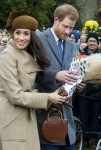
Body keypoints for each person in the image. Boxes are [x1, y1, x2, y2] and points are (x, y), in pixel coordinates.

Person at [0, 11, 67, 150]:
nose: (21, 38)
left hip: (25, 115)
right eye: (17, 33)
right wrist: (48, 98)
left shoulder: (28, 54)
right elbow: (15, 95)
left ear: (32, 35)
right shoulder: (7, 56)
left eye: (26, 33)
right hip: (12, 116)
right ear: (13, 34)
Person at [36, 4, 85, 150]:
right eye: (65, 26)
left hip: (67, 118)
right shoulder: (38, 39)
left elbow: (73, 73)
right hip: (44, 116)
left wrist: (78, 83)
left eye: (71, 28)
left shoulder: (72, 45)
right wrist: (56, 75)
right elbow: (30, 74)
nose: (68, 31)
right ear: (56, 20)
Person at [76, 33, 101, 146]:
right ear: (87, 42)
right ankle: (84, 138)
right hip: (83, 93)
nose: (92, 43)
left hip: (97, 93)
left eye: (94, 41)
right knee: (84, 116)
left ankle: (93, 138)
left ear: (97, 43)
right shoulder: (80, 55)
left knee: (94, 117)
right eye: (90, 41)